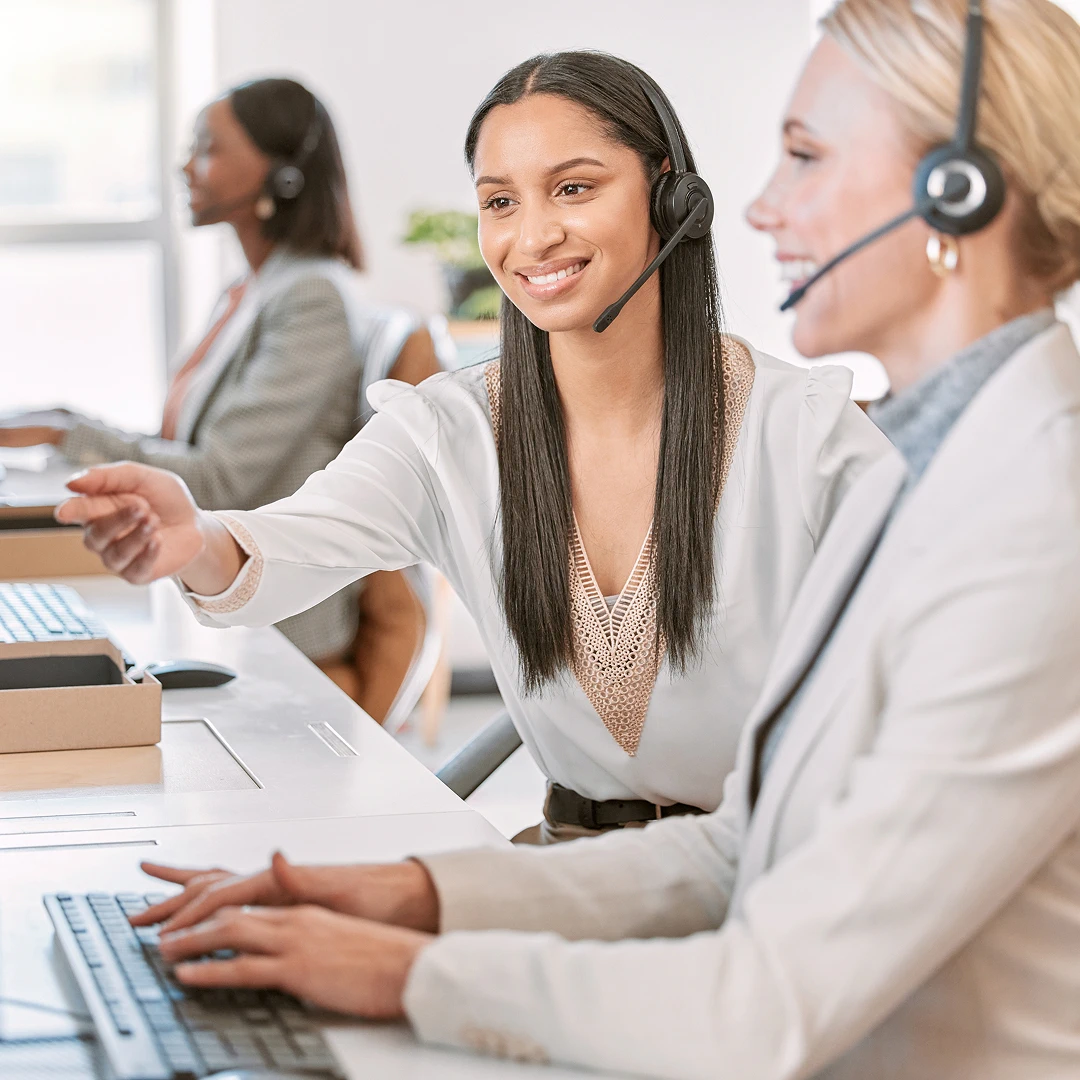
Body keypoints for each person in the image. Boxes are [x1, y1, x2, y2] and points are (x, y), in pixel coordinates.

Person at [98, 0, 1080, 1076]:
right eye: (501, 201)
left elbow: (765, 1000)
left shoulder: (1016, 517)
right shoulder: (928, 468)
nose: (755, 207)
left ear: (960, 186)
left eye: (804, 155)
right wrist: (397, 892)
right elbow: (742, 843)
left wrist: (399, 970)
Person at [54, 52, 889, 843]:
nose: (532, 237)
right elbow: (286, 545)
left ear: (669, 196)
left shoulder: (803, 429)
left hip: (780, 883)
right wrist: (193, 536)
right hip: (566, 875)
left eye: (573, 188)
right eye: (500, 202)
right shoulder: (449, 429)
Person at [0, 77, 443, 720]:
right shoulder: (251, 289)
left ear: (282, 175)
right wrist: (63, 430)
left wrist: (65, 433)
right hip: (213, 586)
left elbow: (219, 476)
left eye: (207, 148)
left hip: (273, 614)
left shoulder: (311, 297)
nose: (186, 165)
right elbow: (188, 451)